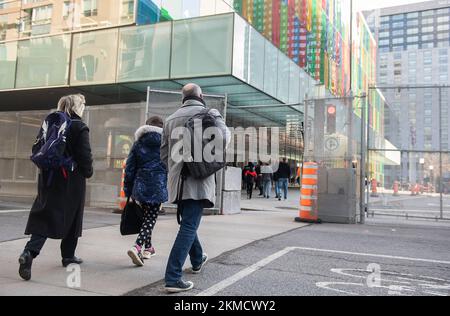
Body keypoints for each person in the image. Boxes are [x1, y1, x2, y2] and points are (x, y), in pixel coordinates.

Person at [161, 83, 230, 293]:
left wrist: (175, 169)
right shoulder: (209, 113)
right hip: (198, 179)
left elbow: (163, 155)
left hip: (177, 181)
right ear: (201, 95)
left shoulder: (170, 119)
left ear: (183, 97)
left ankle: (198, 259)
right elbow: (225, 138)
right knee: (189, 225)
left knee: (187, 222)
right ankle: (173, 277)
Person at [18, 94, 93, 281]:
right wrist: (87, 171)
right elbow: (85, 155)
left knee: (46, 215)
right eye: (83, 104)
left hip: (48, 176)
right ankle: (68, 255)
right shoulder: (78, 126)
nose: (84, 106)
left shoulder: (52, 122)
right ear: (77, 106)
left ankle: (29, 252)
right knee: (73, 215)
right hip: (71, 179)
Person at [124, 116, 168, 267]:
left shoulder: (138, 143)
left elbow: (129, 168)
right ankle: (136, 247)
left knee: (146, 218)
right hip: (158, 185)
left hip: (140, 186)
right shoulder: (166, 143)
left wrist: (128, 190)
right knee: (150, 218)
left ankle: (148, 248)